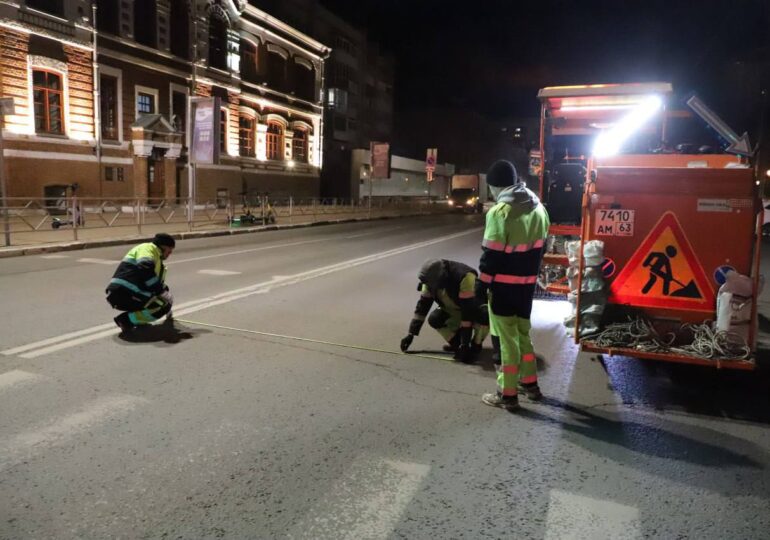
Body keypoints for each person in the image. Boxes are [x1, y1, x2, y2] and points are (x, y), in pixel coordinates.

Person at [477, 160, 550, 411]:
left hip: (503, 288)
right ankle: (530, 385)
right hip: (527, 286)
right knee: (522, 334)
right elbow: (544, 246)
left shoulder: (500, 213)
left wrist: (481, 286)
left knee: (505, 340)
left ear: (496, 186)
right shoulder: (539, 208)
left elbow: (491, 256)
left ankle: (507, 394)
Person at [400, 259, 490, 363]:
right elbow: (422, 307)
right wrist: (411, 334)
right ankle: (457, 345)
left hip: (473, 309)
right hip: (454, 309)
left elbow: (467, 313)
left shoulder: (464, 277)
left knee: (484, 315)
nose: (429, 287)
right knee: (435, 319)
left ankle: (475, 345)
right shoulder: (429, 280)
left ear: (441, 278)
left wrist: (465, 343)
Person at [106, 233, 176, 333]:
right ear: (163, 247)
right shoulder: (148, 248)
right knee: (162, 306)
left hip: (129, 291)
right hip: (123, 292)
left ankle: (137, 320)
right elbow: (145, 267)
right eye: (169, 251)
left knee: (164, 301)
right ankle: (125, 320)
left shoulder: (156, 257)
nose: (170, 254)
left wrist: (165, 293)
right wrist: (162, 294)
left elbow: (157, 283)